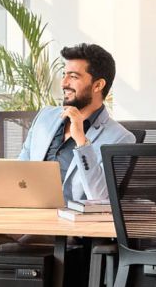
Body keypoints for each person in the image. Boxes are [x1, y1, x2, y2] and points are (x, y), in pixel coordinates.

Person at [16, 42, 135, 202]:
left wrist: (82, 142)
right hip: (30, 211)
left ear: (98, 85)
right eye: (64, 75)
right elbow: (20, 171)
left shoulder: (121, 139)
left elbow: (101, 198)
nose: (64, 83)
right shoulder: (45, 117)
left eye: (73, 77)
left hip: (72, 216)